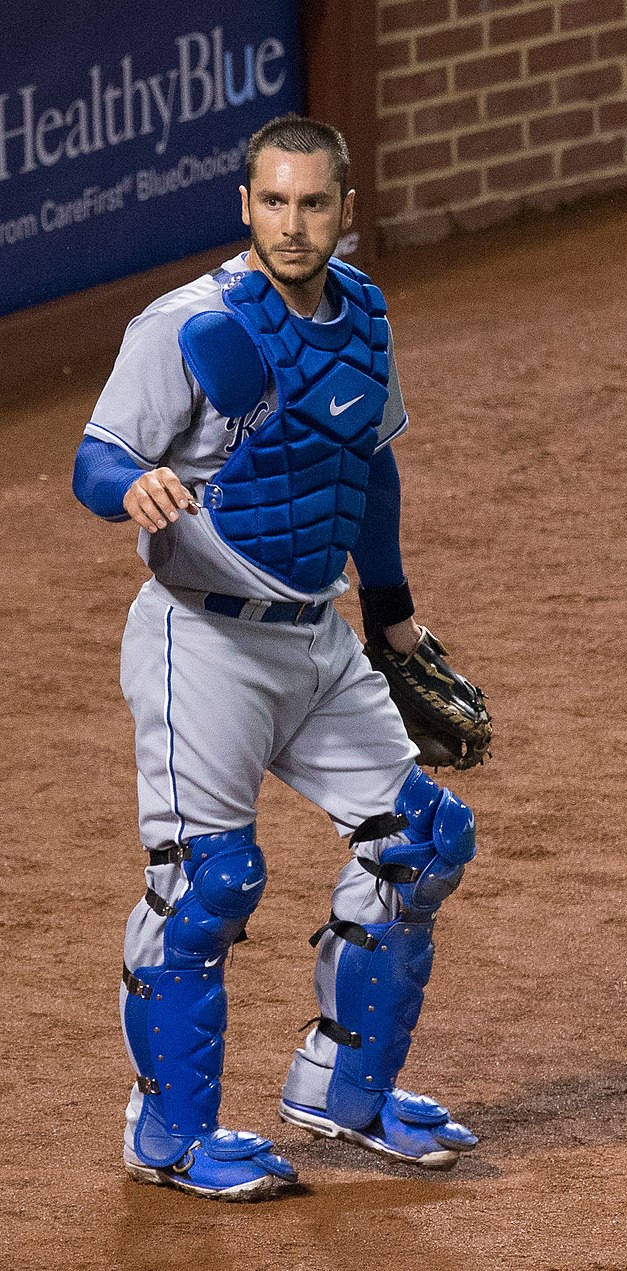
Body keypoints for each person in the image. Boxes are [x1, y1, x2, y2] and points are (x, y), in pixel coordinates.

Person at [72, 113, 479, 1203]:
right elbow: (95, 457)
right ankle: (167, 1136)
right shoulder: (191, 322)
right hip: (200, 640)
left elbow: (370, 474)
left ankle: (341, 1090)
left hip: (318, 634)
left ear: (346, 209)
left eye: (312, 203)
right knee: (206, 885)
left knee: (424, 842)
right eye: (271, 202)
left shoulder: (364, 318)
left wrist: (394, 625)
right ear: (242, 205)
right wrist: (136, 487)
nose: (291, 225)